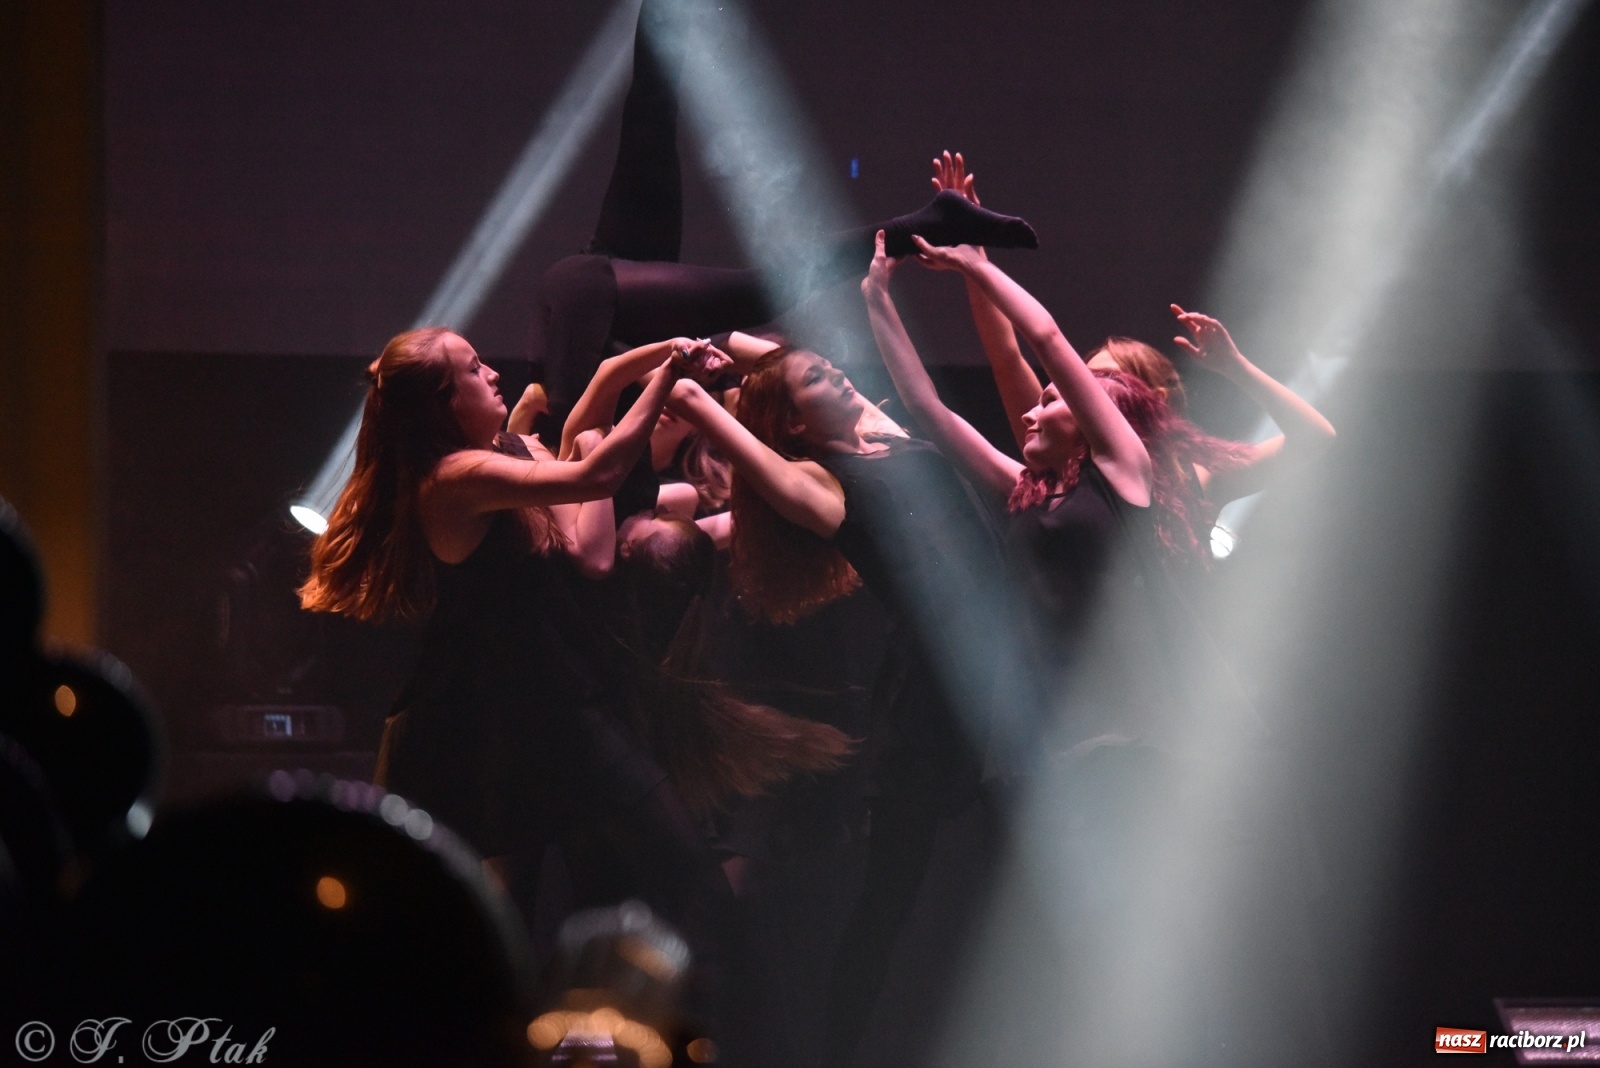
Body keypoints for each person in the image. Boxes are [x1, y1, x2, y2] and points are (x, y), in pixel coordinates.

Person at [297, 327, 847, 1045]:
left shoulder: (499, 456)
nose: (493, 373)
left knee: (575, 904)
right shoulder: (455, 478)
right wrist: (667, 383)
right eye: (473, 368)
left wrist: (662, 354)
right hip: (496, 730)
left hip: (552, 716)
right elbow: (592, 476)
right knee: (517, 915)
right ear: (443, 400)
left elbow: (589, 416)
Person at [530, 0, 1039, 441]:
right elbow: (740, 352)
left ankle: (932, 224)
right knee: (651, 122)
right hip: (613, 304)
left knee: (756, 283)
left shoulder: (585, 476)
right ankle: (933, 223)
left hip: (592, 302)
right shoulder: (637, 483)